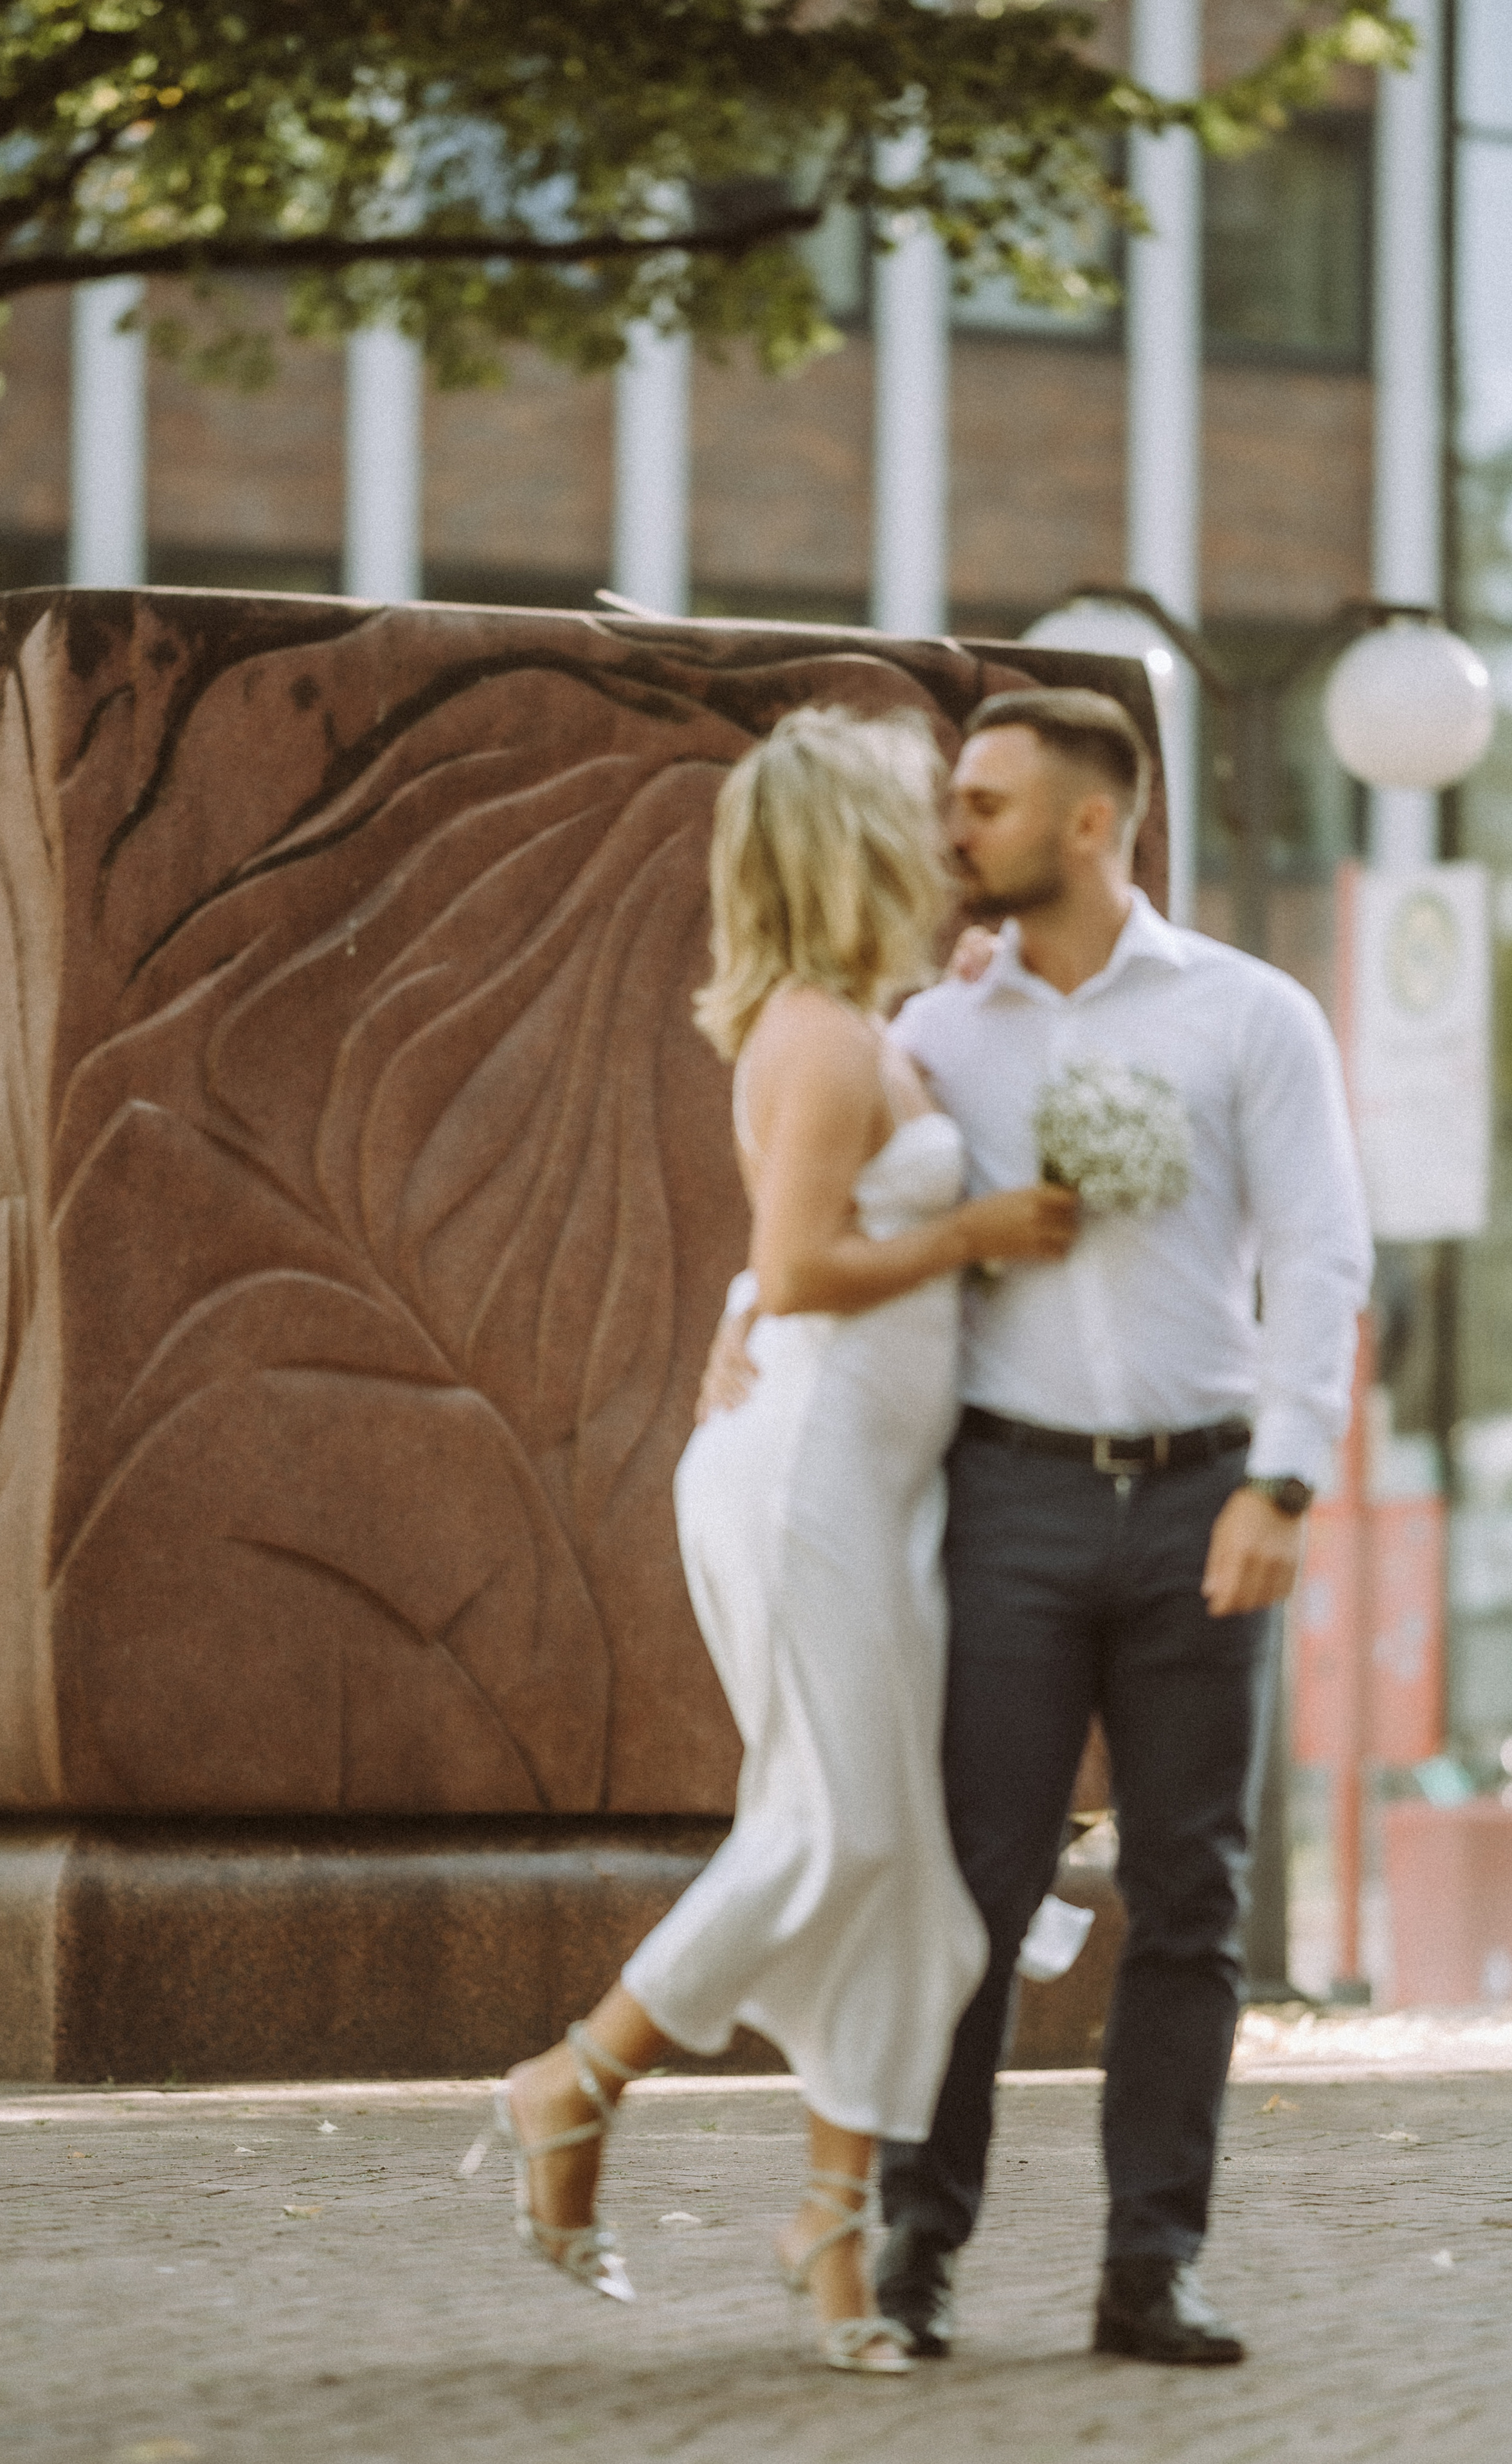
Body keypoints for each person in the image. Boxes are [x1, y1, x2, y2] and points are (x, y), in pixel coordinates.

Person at [467, 703, 1075, 2375]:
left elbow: (783, 1276)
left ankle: (828, 2237)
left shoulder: (867, 1024)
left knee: (911, 1881)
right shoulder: (811, 1038)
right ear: (848, 845)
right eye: (913, 810)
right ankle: (574, 2076)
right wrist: (974, 1230)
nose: (944, 834)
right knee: (831, 1835)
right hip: (803, 1475)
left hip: (871, 1482)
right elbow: (801, 1267)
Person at [861, 685, 1373, 2366]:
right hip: (1002, 1499)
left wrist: (1283, 1481)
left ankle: (1153, 2267)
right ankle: (910, 2253)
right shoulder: (944, 1029)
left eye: (989, 804)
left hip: (1199, 1499)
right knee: (972, 1890)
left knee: (1192, 1896)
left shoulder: (1251, 1015)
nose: (959, 830)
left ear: (1095, 824)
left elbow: (1321, 1255)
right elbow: (840, 1204)